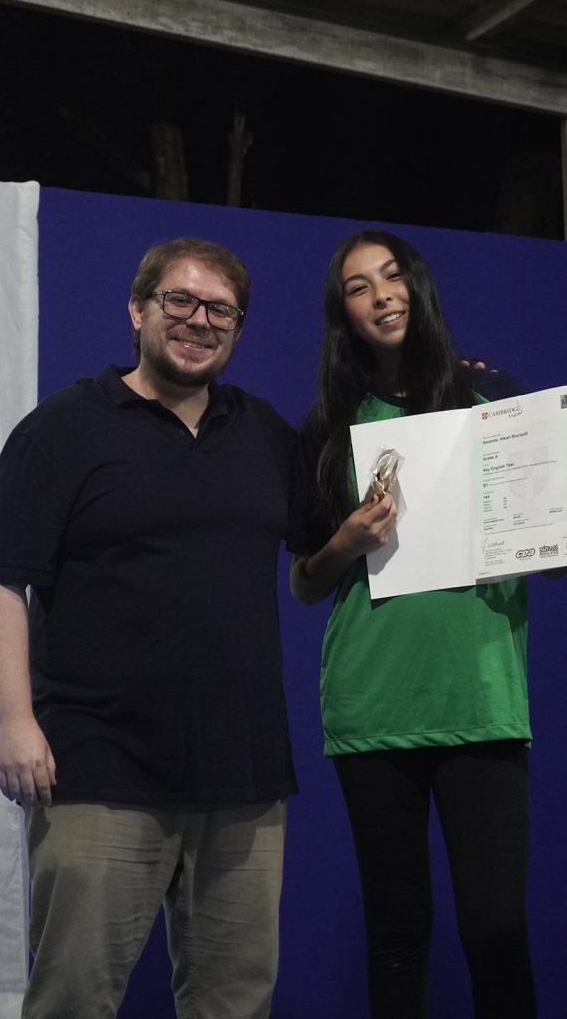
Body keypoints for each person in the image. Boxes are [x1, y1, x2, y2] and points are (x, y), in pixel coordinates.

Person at [0, 237, 297, 1019]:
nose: (199, 321)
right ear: (137, 309)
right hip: (100, 765)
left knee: (235, 1003)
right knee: (74, 998)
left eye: (220, 309)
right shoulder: (63, 428)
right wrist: (16, 721)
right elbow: (3, 577)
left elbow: (330, 540)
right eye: (180, 300)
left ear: (238, 326)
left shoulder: (261, 431)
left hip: (244, 774)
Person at [288, 229, 536, 1018]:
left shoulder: (493, 399)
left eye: (392, 276)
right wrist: (347, 541)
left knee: (495, 927)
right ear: (344, 312)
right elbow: (304, 582)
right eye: (359, 286)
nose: (381, 295)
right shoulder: (329, 427)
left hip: (479, 699)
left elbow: (547, 534)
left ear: (418, 286)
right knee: (398, 932)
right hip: (374, 705)